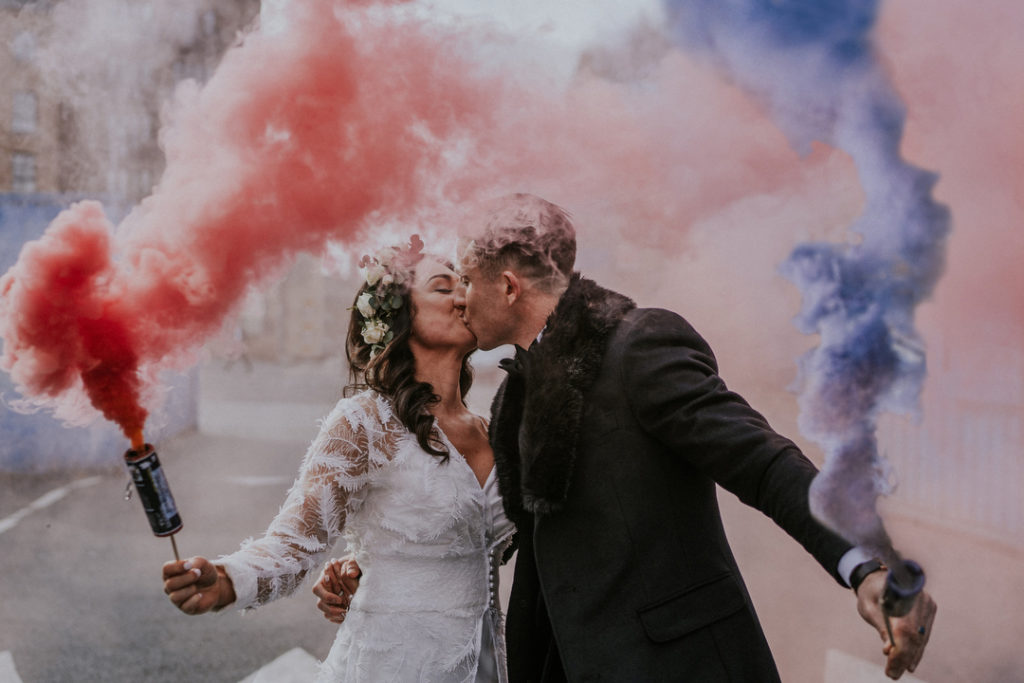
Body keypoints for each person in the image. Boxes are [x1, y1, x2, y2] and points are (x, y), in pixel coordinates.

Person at [318, 193, 937, 681]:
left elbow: (764, 461)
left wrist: (868, 566)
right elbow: (506, 543)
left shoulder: (639, 344)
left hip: (681, 668)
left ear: (508, 286)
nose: (462, 302)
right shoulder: (512, 397)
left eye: (469, 283)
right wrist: (377, 565)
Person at [161, 236, 516, 683]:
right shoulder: (365, 423)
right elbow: (295, 543)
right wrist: (229, 579)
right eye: (443, 287)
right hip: (394, 665)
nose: (463, 296)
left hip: (489, 662)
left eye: (462, 284)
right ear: (399, 317)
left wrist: (357, 566)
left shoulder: (494, 428)